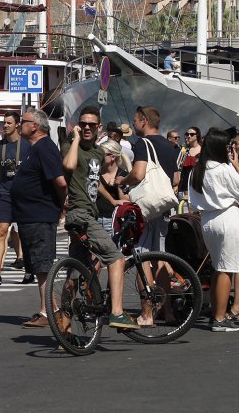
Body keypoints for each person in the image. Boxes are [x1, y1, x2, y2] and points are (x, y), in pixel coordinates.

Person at [62, 106, 140, 330]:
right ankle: (117, 312)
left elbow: (97, 180)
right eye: (83, 124)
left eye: (91, 125)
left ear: (99, 128)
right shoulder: (70, 147)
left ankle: (64, 330)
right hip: (80, 214)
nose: (86, 127)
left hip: (88, 213)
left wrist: (115, 197)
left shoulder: (97, 152)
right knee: (116, 259)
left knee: (74, 276)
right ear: (79, 125)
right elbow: (68, 166)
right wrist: (75, 138)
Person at [10, 109, 68, 328]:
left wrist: (63, 205)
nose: (19, 125)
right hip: (30, 216)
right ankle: (47, 309)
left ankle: (50, 311)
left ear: (34, 126)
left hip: (40, 216)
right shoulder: (35, 148)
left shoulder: (44, 148)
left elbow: (60, 181)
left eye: (22, 122)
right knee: (37, 266)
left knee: (42, 266)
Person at [188, 128, 239, 331]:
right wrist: (236, 166)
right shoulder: (224, 168)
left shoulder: (197, 169)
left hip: (207, 219)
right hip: (227, 216)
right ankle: (220, 318)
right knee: (227, 268)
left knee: (217, 267)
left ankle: (216, 313)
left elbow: (193, 200)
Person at [116, 106, 179, 252]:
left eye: (135, 121)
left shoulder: (142, 143)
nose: (133, 125)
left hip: (147, 209)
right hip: (163, 207)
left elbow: (138, 174)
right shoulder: (169, 145)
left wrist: (122, 180)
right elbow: (176, 179)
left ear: (144, 121)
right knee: (160, 258)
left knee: (143, 256)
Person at [0, 111, 31, 286]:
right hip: (4, 194)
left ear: (18, 125)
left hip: (23, 195)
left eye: (9, 123)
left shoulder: (27, 145)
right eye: (4, 123)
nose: (5, 126)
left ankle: (29, 268)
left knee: (25, 233)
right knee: (2, 230)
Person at [96, 140, 130, 233]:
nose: (99, 156)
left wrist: (119, 185)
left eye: (102, 154)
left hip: (114, 220)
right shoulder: (96, 173)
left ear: (112, 157)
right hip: (95, 219)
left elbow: (126, 200)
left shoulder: (123, 175)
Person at [177, 127, 202, 201]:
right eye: (187, 134)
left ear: (197, 135)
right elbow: (178, 167)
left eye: (191, 134)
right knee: (190, 208)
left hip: (200, 183)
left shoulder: (203, 149)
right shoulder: (184, 150)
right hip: (186, 184)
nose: (189, 136)